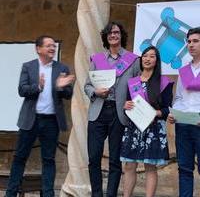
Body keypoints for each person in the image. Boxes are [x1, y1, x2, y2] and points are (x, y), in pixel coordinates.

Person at [5, 35, 75, 197]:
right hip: (31, 119)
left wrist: (60, 87)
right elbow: (22, 90)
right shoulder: (28, 67)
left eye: (54, 46)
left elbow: (68, 94)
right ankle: (11, 193)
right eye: (48, 45)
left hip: (51, 121)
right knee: (20, 157)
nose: (52, 48)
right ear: (38, 49)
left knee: (49, 159)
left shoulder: (62, 68)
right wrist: (38, 86)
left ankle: (48, 194)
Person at [84, 21, 140, 197]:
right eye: (109, 33)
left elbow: (137, 88)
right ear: (106, 37)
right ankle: (97, 194)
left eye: (116, 32)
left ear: (121, 35)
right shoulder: (97, 59)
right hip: (98, 112)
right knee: (93, 158)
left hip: (119, 113)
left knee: (115, 160)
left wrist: (131, 102)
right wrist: (95, 92)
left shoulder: (133, 60)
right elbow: (87, 86)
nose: (113, 35)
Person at [120, 46, 173, 197]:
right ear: (141, 59)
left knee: (150, 167)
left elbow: (168, 108)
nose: (147, 59)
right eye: (145, 56)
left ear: (157, 61)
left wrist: (155, 112)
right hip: (134, 127)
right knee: (130, 165)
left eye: (152, 56)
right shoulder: (133, 82)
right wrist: (126, 105)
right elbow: (129, 104)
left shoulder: (164, 82)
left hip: (154, 128)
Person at [168, 27, 200, 197]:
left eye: (195, 41)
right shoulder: (184, 71)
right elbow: (179, 97)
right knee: (185, 168)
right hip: (183, 125)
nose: (191, 45)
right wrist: (175, 113)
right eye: (188, 41)